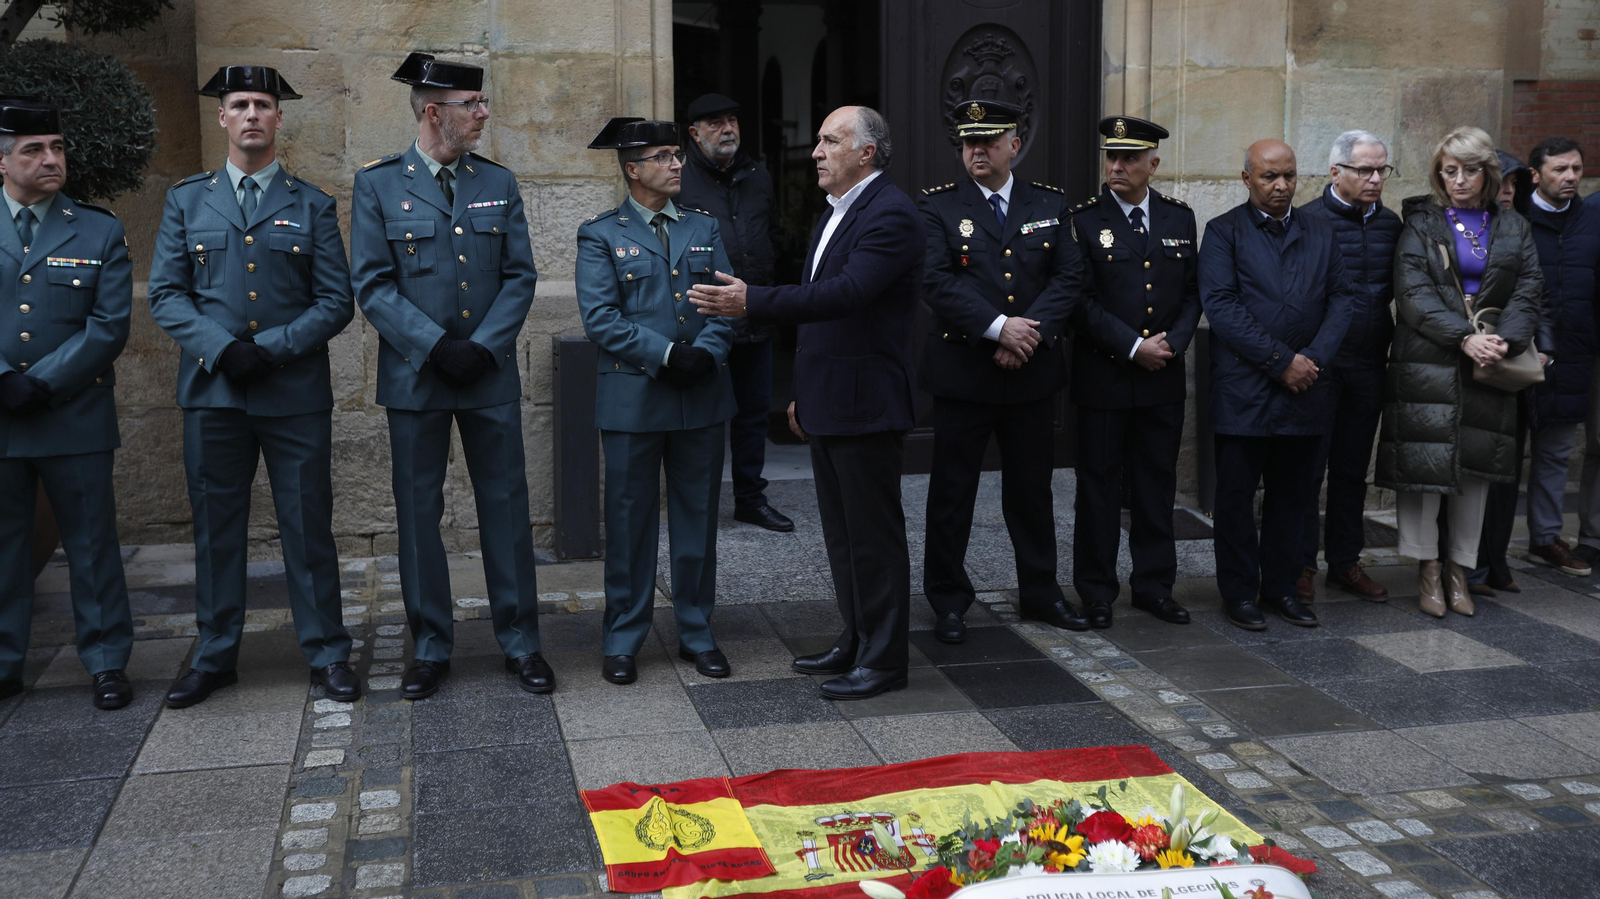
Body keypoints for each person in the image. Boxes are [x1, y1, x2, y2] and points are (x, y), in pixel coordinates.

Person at [688, 106, 924, 700]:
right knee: (843, 536)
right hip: (830, 398)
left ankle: (886, 660)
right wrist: (803, 392)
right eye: (817, 139)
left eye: (830, 141)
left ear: (866, 153)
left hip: (867, 404)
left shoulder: (890, 214)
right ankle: (858, 636)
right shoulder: (836, 213)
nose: (816, 151)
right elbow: (821, 314)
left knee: (874, 537)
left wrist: (753, 301)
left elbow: (848, 295)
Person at [148, 67, 359, 708]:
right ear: (222, 118)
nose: (251, 116)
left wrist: (267, 349)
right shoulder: (187, 201)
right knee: (216, 528)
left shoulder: (311, 204)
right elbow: (166, 294)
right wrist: (221, 349)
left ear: (278, 118)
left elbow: (335, 301)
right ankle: (215, 655)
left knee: (306, 525)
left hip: (292, 392)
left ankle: (326, 653)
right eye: (238, 105)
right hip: (214, 394)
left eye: (262, 105)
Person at [350, 53, 548, 699]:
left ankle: (521, 642)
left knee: (506, 509)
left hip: (486, 374)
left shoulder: (498, 182)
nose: (484, 113)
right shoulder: (378, 185)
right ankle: (431, 645)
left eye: (482, 102)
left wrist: (484, 346)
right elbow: (372, 285)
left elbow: (520, 275)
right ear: (434, 111)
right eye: (473, 104)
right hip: (417, 376)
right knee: (418, 514)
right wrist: (437, 346)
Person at [917, 99, 1086, 644]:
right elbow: (936, 282)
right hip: (966, 372)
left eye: (989, 141)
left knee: (1032, 490)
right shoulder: (937, 207)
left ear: (1015, 144)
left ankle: (1041, 591)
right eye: (969, 142)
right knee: (952, 492)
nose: (977, 151)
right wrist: (997, 328)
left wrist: (1025, 333)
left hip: (1030, 371)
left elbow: (1069, 277)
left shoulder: (1051, 204)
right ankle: (947, 599)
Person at [577, 117, 737, 685]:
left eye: (677, 155)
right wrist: (671, 355)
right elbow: (600, 318)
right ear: (632, 169)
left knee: (697, 522)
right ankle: (623, 638)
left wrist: (709, 353)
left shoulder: (704, 226)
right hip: (635, 401)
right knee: (628, 524)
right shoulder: (599, 234)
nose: (677, 164)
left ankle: (697, 631)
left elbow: (727, 299)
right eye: (665, 156)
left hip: (701, 397)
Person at [1377, 126, 1544, 618]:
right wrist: (1464, 337)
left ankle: (1460, 569)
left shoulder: (1514, 226)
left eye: (1469, 170)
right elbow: (1413, 296)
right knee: (1423, 469)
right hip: (1428, 360)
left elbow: (1529, 290)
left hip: (1490, 362)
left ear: (1488, 173)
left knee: (1476, 471)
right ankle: (1427, 568)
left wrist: (1502, 340)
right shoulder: (1421, 224)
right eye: (1449, 171)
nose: (1459, 180)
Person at [0, 100, 134, 709]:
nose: (51, 159)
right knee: (4, 543)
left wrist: (44, 383)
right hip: (1, 415)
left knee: (92, 543)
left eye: (56, 146)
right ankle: (5, 662)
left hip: (74, 413)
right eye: (33, 149)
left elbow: (108, 326)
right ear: (1, 160)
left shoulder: (98, 228)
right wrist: (5, 378)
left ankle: (106, 661)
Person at [1199, 139, 1354, 631]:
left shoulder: (1321, 232)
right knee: (1236, 498)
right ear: (1247, 179)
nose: (1282, 186)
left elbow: (1342, 301)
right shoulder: (1223, 233)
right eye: (1270, 177)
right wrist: (1281, 361)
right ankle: (1240, 593)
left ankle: (1283, 589)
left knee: (1294, 497)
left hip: (1305, 389)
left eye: (1289, 175)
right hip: (1245, 391)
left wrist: (1311, 361)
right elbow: (1222, 308)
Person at [1069, 115, 1200, 630]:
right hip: (1104, 377)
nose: (1117, 166)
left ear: (1153, 164)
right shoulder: (1082, 219)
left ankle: (1154, 586)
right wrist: (1132, 346)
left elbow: (1192, 294)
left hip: (1162, 378)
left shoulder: (1178, 218)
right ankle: (1097, 590)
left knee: (1155, 486)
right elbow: (1078, 301)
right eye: (1111, 157)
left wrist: (1172, 344)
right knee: (1098, 489)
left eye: (1129, 158)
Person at [1292, 130, 1402, 603]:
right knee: (1307, 469)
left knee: (1353, 469)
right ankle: (1299, 564)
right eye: (1365, 170)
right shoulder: (1307, 221)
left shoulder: (1392, 225)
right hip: (1319, 367)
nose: (1375, 179)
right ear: (1336, 172)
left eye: (1382, 170)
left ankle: (1345, 562)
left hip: (1369, 363)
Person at [677, 93, 792, 533]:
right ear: (694, 133)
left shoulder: (757, 174)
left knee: (754, 413)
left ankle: (750, 498)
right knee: (703, 415)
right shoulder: (680, 178)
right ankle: (698, 505)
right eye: (715, 123)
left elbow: (773, 233)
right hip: (703, 318)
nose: (728, 129)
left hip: (755, 311)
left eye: (732, 121)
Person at [1521, 137, 1600, 576]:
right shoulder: (1515, 219)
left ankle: (1546, 538)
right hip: (1517, 351)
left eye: (1576, 168)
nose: (1570, 177)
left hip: (1574, 353)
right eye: (1559, 170)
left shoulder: (1592, 220)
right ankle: (1483, 550)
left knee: (1555, 451)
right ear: (1536, 174)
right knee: (1506, 451)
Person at [1467, 150, 1537, 596]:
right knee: (1474, 470)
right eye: (1502, 183)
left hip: (1512, 357)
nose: (1508, 193)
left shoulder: (1521, 228)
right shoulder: (1469, 230)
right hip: (1473, 352)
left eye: (1515, 185)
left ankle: (1496, 562)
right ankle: (1470, 565)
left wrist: (1518, 341)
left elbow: (1534, 291)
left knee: (1507, 467)